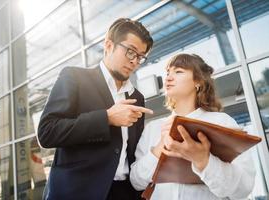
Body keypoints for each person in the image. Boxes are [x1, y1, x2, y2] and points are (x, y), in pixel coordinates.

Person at [37, 18, 154, 200]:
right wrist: (106, 118)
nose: (134, 61)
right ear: (108, 45)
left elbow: (132, 152)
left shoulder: (137, 98)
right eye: (130, 52)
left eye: (141, 57)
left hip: (124, 192)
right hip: (78, 192)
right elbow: (47, 132)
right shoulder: (74, 77)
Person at [130, 53, 256, 200]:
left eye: (178, 72)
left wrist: (204, 161)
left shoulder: (221, 122)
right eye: (168, 72)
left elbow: (243, 189)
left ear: (198, 82)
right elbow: (136, 182)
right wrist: (159, 149)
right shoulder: (154, 128)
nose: (168, 77)